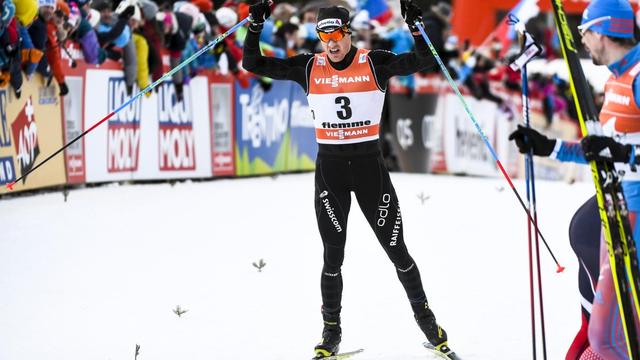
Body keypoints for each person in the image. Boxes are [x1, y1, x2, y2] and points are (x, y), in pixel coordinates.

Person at [242, 1, 458, 359]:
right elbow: (253, 63)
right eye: (324, 35)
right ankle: (331, 334)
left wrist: (416, 27)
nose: (331, 42)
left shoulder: (375, 62)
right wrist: (254, 25)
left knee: (397, 251)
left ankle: (430, 327)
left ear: (348, 33)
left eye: (336, 34)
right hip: (331, 173)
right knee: (332, 257)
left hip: (370, 169)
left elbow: (424, 61)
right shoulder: (308, 67)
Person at [509, 0, 640, 358]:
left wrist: (625, 155)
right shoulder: (617, 79)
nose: (581, 38)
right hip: (615, 209)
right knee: (610, 335)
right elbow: (600, 148)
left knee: (606, 338)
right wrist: (548, 146)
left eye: (584, 31)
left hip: (635, 217)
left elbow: (619, 152)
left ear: (602, 32)